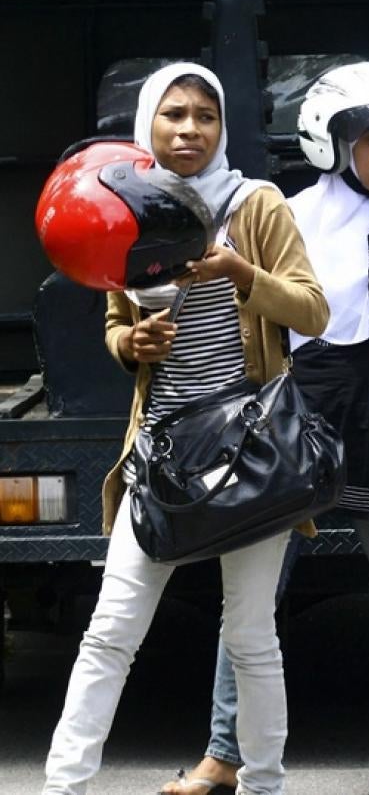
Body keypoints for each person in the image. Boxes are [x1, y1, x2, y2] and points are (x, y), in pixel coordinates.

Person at [161, 60, 369, 795]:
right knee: (251, 598)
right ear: (331, 140)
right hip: (290, 416)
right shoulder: (286, 213)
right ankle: (221, 755)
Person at [42, 61, 329, 795]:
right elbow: (115, 318)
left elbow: (313, 311)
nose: (190, 129)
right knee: (110, 631)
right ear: (147, 126)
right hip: (162, 454)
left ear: (222, 127)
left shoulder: (255, 205)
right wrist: (128, 345)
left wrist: (240, 273)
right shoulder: (127, 207)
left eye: (205, 115)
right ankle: (63, 786)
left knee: (251, 635)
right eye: (174, 115)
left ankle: (263, 783)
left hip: (250, 451)